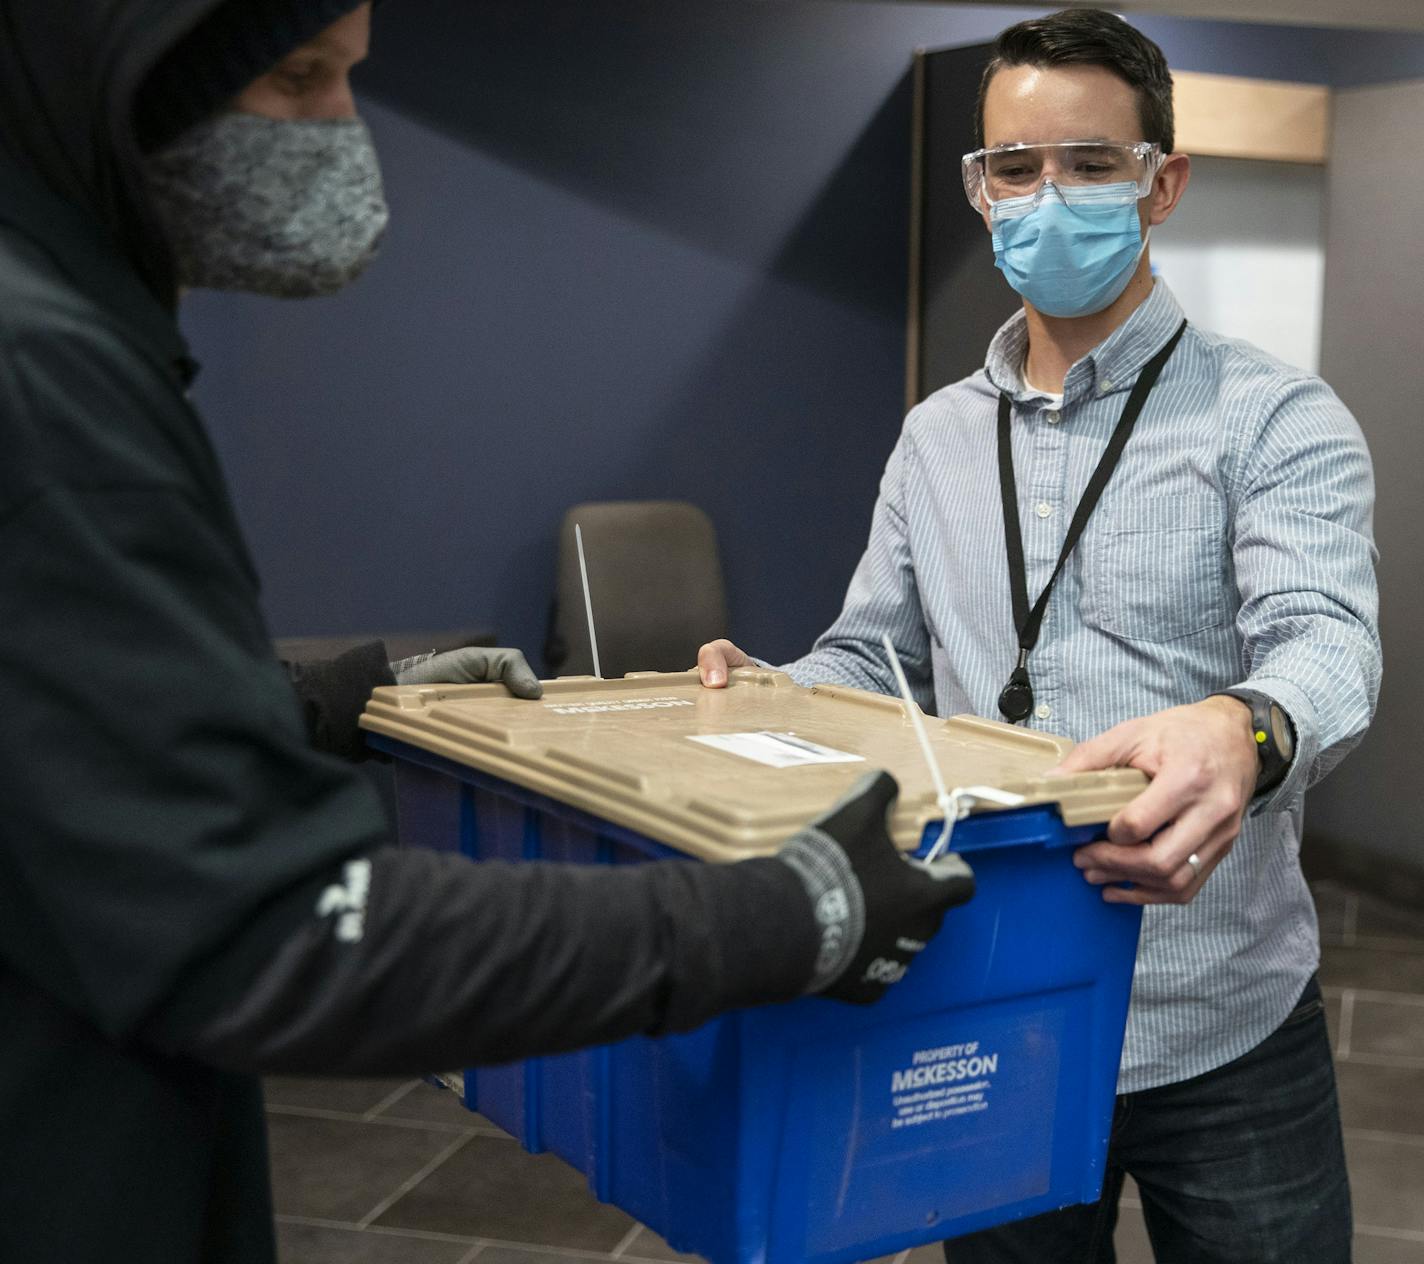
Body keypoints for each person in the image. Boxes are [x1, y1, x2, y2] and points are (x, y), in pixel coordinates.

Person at [0, 3, 976, 1261]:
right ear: (112, 77)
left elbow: (68, 735)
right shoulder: (45, 384)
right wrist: (786, 914)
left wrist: (349, 691)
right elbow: (277, 935)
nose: (342, 134)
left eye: (350, 78)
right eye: (296, 78)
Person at [700, 9, 1380, 1262]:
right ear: (979, 188)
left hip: (1215, 1017)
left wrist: (1244, 727)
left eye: (1086, 165)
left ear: (1158, 182)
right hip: (989, 998)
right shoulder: (935, 435)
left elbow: (1324, 640)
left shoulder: (1273, 417)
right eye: (1013, 168)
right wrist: (775, 688)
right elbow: (879, 656)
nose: (1043, 197)